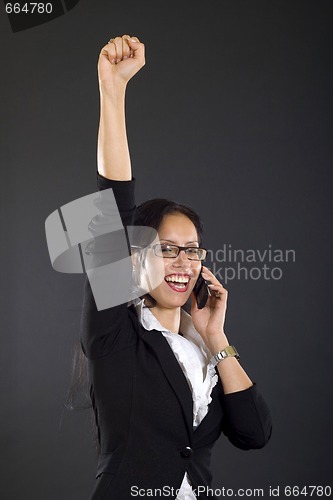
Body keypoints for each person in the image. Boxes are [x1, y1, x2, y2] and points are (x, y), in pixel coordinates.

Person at [80, 34, 272, 500]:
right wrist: (113, 90)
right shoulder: (115, 335)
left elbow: (254, 433)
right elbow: (110, 208)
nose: (183, 261)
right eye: (167, 249)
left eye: (192, 250)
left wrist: (216, 340)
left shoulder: (204, 352)